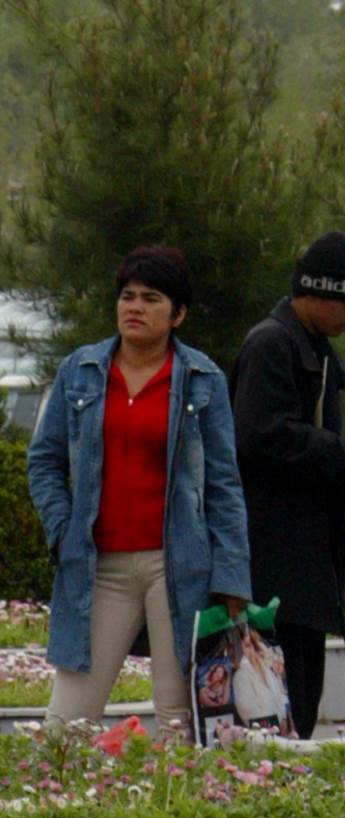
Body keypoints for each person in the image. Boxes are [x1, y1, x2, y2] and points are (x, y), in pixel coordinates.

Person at [26, 245, 252, 738]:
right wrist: (63, 532)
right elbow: (43, 461)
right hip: (96, 565)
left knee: (178, 721)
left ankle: (172, 812)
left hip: (178, 566)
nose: (135, 307)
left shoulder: (202, 380)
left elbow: (224, 485)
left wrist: (232, 575)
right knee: (66, 725)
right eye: (127, 296)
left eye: (151, 298)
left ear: (178, 314)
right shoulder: (80, 371)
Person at [228, 231, 345, 739]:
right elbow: (264, 437)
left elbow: (300, 454)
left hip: (304, 568)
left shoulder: (316, 349)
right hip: (273, 566)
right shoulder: (271, 344)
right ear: (314, 292)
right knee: (276, 711)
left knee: (302, 705)